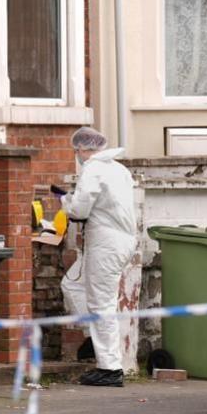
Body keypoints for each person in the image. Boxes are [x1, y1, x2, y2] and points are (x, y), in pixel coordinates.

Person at [57, 127, 138, 387]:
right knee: (71, 284)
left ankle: (110, 368)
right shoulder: (118, 169)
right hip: (119, 242)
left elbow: (80, 209)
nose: (76, 155)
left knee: (102, 304)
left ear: (82, 149)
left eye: (76, 151)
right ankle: (94, 336)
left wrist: (65, 201)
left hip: (106, 243)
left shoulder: (93, 168)